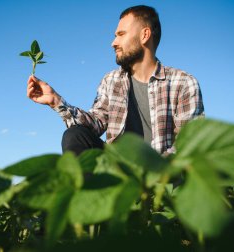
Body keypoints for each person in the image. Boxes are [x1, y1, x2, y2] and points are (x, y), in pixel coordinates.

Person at [26, 5, 204, 156]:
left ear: (145, 35)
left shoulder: (183, 83)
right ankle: (88, 194)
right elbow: (95, 124)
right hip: (117, 167)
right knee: (75, 135)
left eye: (121, 34)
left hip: (161, 172)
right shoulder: (111, 81)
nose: (113, 42)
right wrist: (55, 101)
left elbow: (188, 144)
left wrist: (155, 172)